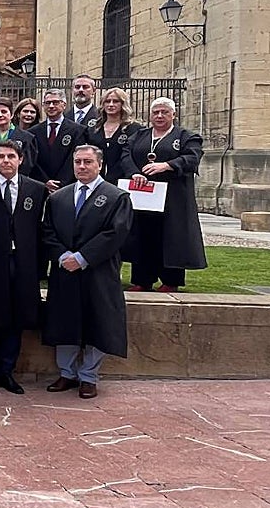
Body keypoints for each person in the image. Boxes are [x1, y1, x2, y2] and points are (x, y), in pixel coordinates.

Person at [42, 145, 133, 399]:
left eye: (87, 162)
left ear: (100, 165)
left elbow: (115, 233)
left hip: (98, 271)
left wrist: (83, 258)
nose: (81, 167)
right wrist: (62, 256)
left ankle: (88, 376)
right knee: (65, 321)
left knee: (97, 321)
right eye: (78, 162)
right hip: (64, 271)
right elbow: (47, 231)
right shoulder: (58, 198)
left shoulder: (116, 197)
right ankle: (67, 373)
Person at [0, 141, 47, 395]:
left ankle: (7, 371)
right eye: (1, 156)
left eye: (11, 156)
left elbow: (39, 230)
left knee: (18, 318)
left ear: (20, 160)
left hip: (24, 264)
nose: (6, 161)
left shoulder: (36, 190)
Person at [120, 98, 207, 292]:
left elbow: (192, 157)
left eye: (164, 112)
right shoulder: (140, 135)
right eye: (156, 112)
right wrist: (134, 172)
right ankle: (142, 280)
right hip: (144, 195)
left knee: (171, 237)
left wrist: (167, 165)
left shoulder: (186, 136)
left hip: (173, 197)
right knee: (143, 235)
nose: (159, 116)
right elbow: (125, 155)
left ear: (173, 115)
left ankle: (171, 280)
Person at [33, 89, 88, 193]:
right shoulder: (34, 132)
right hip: (40, 186)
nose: (51, 106)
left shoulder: (77, 130)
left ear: (64, 105)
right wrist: (45, 181)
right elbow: (33, 160)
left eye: (55, 102)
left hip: (67, 187)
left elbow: (74, 157)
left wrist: (61, 183)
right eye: (47, 103)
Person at [87, 87, 142, 186]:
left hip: (123, 180)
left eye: (115, 101)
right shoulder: (94, 129)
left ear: (123, 104)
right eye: (107, 101)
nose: (111, 105)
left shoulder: (134, 129)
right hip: (96, 180)